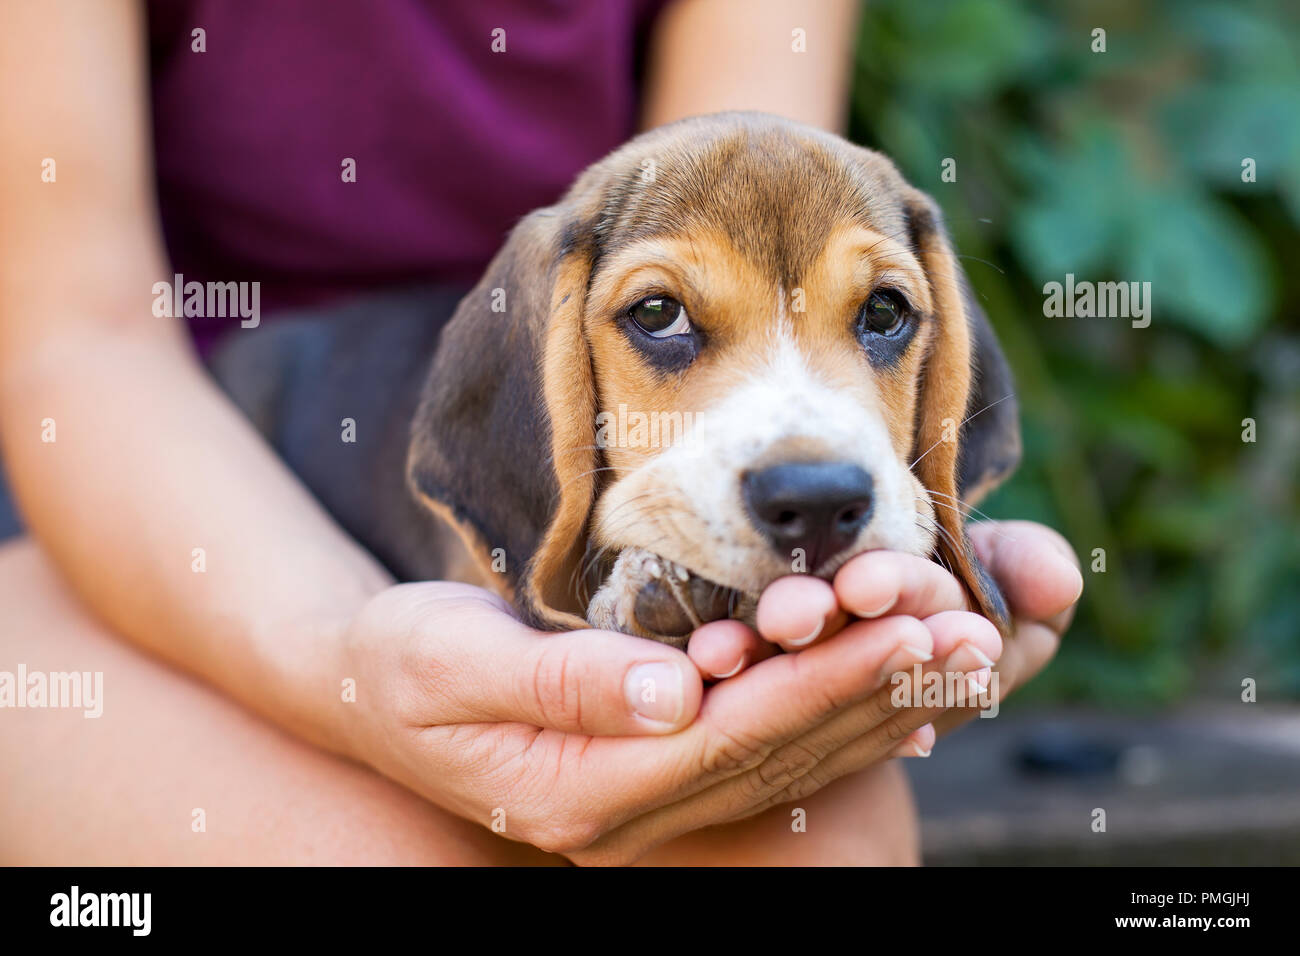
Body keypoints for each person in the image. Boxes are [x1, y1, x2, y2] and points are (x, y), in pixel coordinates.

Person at [0, 0, 1081, 865]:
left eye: (883, 311)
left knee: (812, 849)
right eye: (660, 313)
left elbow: (750, 190)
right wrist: (345, 658)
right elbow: (78, 346)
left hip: (538, 423)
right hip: (133, 484)